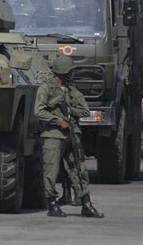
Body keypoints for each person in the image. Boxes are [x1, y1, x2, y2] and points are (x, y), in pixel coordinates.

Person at [34, 55, 104, 218]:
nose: (72, 74)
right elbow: (39, 111)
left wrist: (71, 112)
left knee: (78, 168)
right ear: (62, 72)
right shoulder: (46, 88)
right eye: (69, 71)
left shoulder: (72, 90)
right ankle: (52, 203)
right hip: (53, 135)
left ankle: (86, 203)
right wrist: (59, 121)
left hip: (72, 134)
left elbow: (85, 111)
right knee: (51, 170)